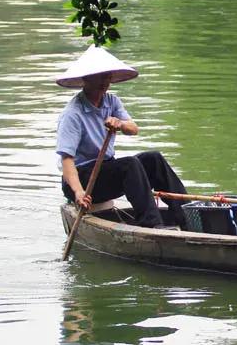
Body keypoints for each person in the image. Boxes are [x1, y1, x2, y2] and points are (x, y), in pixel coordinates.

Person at [55, 45, 189, 229]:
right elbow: (67, 160)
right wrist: (79, 193)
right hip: (83, 178)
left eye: (108, 76)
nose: (106, 81)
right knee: (129, 165)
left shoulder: (111, 101)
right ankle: (152, 224)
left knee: (153, 159)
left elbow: (133, 129)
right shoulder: (73, 113)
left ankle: (186, 216)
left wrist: (120, 124)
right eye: (100, 75)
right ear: (86, 79)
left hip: (105, 169)